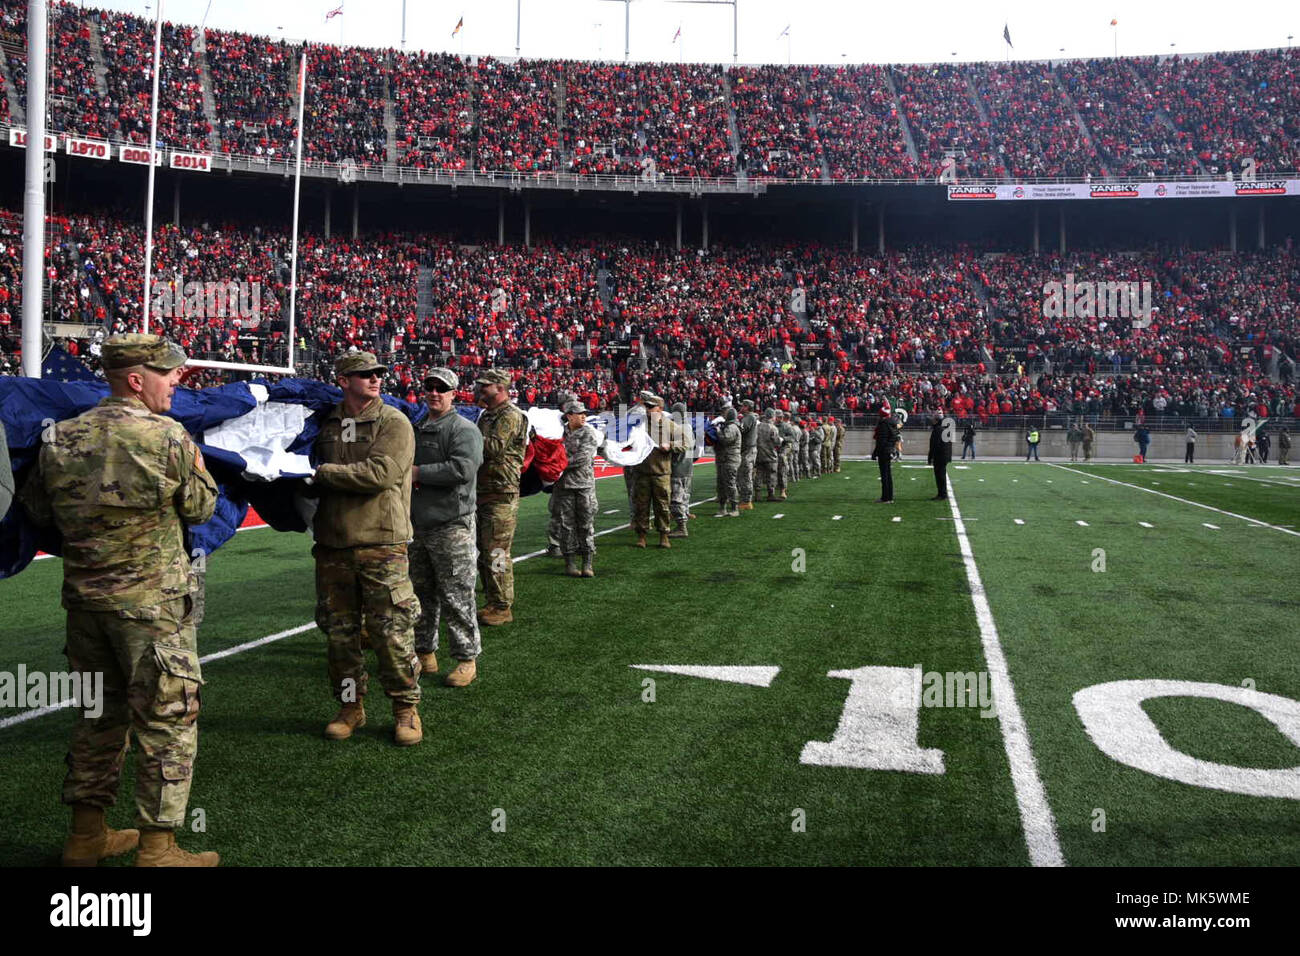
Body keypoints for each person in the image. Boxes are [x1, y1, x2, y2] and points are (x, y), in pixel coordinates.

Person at [20, 333, 220, 866]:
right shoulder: (167, 436)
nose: (178, 379)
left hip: (85, 608)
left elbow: (38, 510)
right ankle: (158, 848)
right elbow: (201, 508)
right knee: (166, 722)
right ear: (137, 379)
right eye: (169, 372)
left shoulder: (60, 437)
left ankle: (86, 837)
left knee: (96, 718)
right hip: (151, 610)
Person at [312, 351, 423, 746]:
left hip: (381, 543)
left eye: (378, 374)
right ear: (343, 380)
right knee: (340, 638)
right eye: (364, 374)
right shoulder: (325, 421)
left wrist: (320, 474)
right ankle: (349, 707)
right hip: (333, 545)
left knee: (391, 634)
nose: (375, 379)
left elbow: (381, 473)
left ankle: (405, 708)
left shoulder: (394, 422)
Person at [409, 368, 483, 689]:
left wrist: (417, 473)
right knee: (420, 594)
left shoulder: (463, 429)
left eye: (442, 388)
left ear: (454, 393)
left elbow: (462, 469)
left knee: (456, 595)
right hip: (418, 526)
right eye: (430, 387)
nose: (435, 392)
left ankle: (466, 659)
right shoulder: (416, 428)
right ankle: (425, 651)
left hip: (452, 526)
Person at [474, 369, 529, 626]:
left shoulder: (511, 415)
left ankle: (502, 606)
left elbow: (494, 447)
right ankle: (491, 601)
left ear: (499, 387)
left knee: (496, 552)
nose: (480, 388)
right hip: (484, 490)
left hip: (501, 492)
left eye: (485, 385)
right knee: (484, 551)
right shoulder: (488, 414)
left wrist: (463, 435)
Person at [554, 400, 605, 576]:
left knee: (586, 524)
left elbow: (583, 457)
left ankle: (587, 563)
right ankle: (570, 563)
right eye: (579, 413)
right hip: (564, 486)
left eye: (585, 413)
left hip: (584, 485)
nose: (584, 416)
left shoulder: (588, 434)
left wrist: (557, 464)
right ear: (569, 416)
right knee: (566, 525)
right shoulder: (558, 433)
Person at [631, 391, 686, 548]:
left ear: (660, 409)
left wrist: (670, 446)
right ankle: (641, 536)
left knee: (662, 505)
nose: (648, 410)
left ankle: (664, 535)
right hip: (641, 471)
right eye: (647, 407)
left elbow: (685, 442)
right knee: (641, 505)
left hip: (661, 472)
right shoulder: (639, 424)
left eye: (651, 407)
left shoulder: (670, 425)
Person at [668, 401, 696, 537]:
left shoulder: (677, 428)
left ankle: (681, 527)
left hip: (678, 468)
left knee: (676, 499)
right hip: (688, 467)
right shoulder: (689, 427)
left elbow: (674, 448)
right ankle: (684, 516)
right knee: (684, 496)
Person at [713, 406, 742, 517]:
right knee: (721, 484)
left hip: (730, 459)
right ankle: (722, 507)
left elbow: (726, 439)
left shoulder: (732, 427)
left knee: (729, 484)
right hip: (724, 459)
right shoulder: (730, 426)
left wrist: (718, 431)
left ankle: (734, 508)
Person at [872, 406, 899, 503]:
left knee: (885, 475)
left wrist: (875, 453)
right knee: (888, 474)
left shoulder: (883, 424)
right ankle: (889, 496)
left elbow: (881, 441)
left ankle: (885, 497)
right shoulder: (892, 423)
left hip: (884, 451)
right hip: (889, 450)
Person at [755, 408, 782, 501]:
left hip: (759, 454)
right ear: (772, 416)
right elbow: (777, 442)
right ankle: (771, 494)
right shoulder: (773, 428)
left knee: (758, 474)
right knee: (771, 474)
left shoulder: (758, 426)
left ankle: (757, 494)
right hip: (770, 455)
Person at [737, 399, 758, 510]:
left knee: (745, 475)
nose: (741, 407)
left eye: (743, 406)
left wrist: (734, 423)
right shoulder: (749, 417)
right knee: (745, 475)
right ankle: (745, 499)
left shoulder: (749, 417)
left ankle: (746, 501)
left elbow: (741, 429)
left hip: (747, 450)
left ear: (747, 407)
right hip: (748, 450)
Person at [927, 412, 951, 500]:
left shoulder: (938, 429)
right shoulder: (945, 429)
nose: (931, 420)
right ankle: (942, 493)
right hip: (943, 456)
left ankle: (942, 494)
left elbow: (934, 445)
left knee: (940, 476)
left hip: (940, 456)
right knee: (941, 475)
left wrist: (930, 457)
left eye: (933, 419)